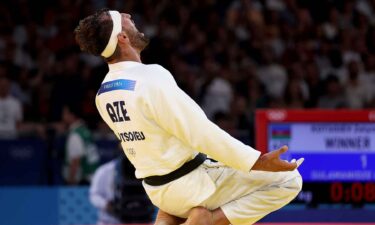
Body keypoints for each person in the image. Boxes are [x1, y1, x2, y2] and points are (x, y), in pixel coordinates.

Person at [74, 8, 304, 225]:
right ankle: (206, 220)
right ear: (122, 37)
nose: (128, 14)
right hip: (191, 183)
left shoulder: (103, 93)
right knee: (289, 181)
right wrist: (256, 160)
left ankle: (171, 217)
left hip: (158, 191)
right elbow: (200, 132)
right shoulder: (151, 76)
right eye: (123, 17)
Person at [90, 155, 156, 225]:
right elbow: (94, 194)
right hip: (110, 221)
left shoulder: (148, 169)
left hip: (143, 218)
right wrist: (106, 205)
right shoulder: (104, 170)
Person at [62, 103, 100, 185]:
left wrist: (71, 181)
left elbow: (76, 161)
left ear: (72, 115)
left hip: (85, 181)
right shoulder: (85, 130)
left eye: (64, 113)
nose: (63, 117)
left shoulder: (75, 135)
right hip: (93, 178)